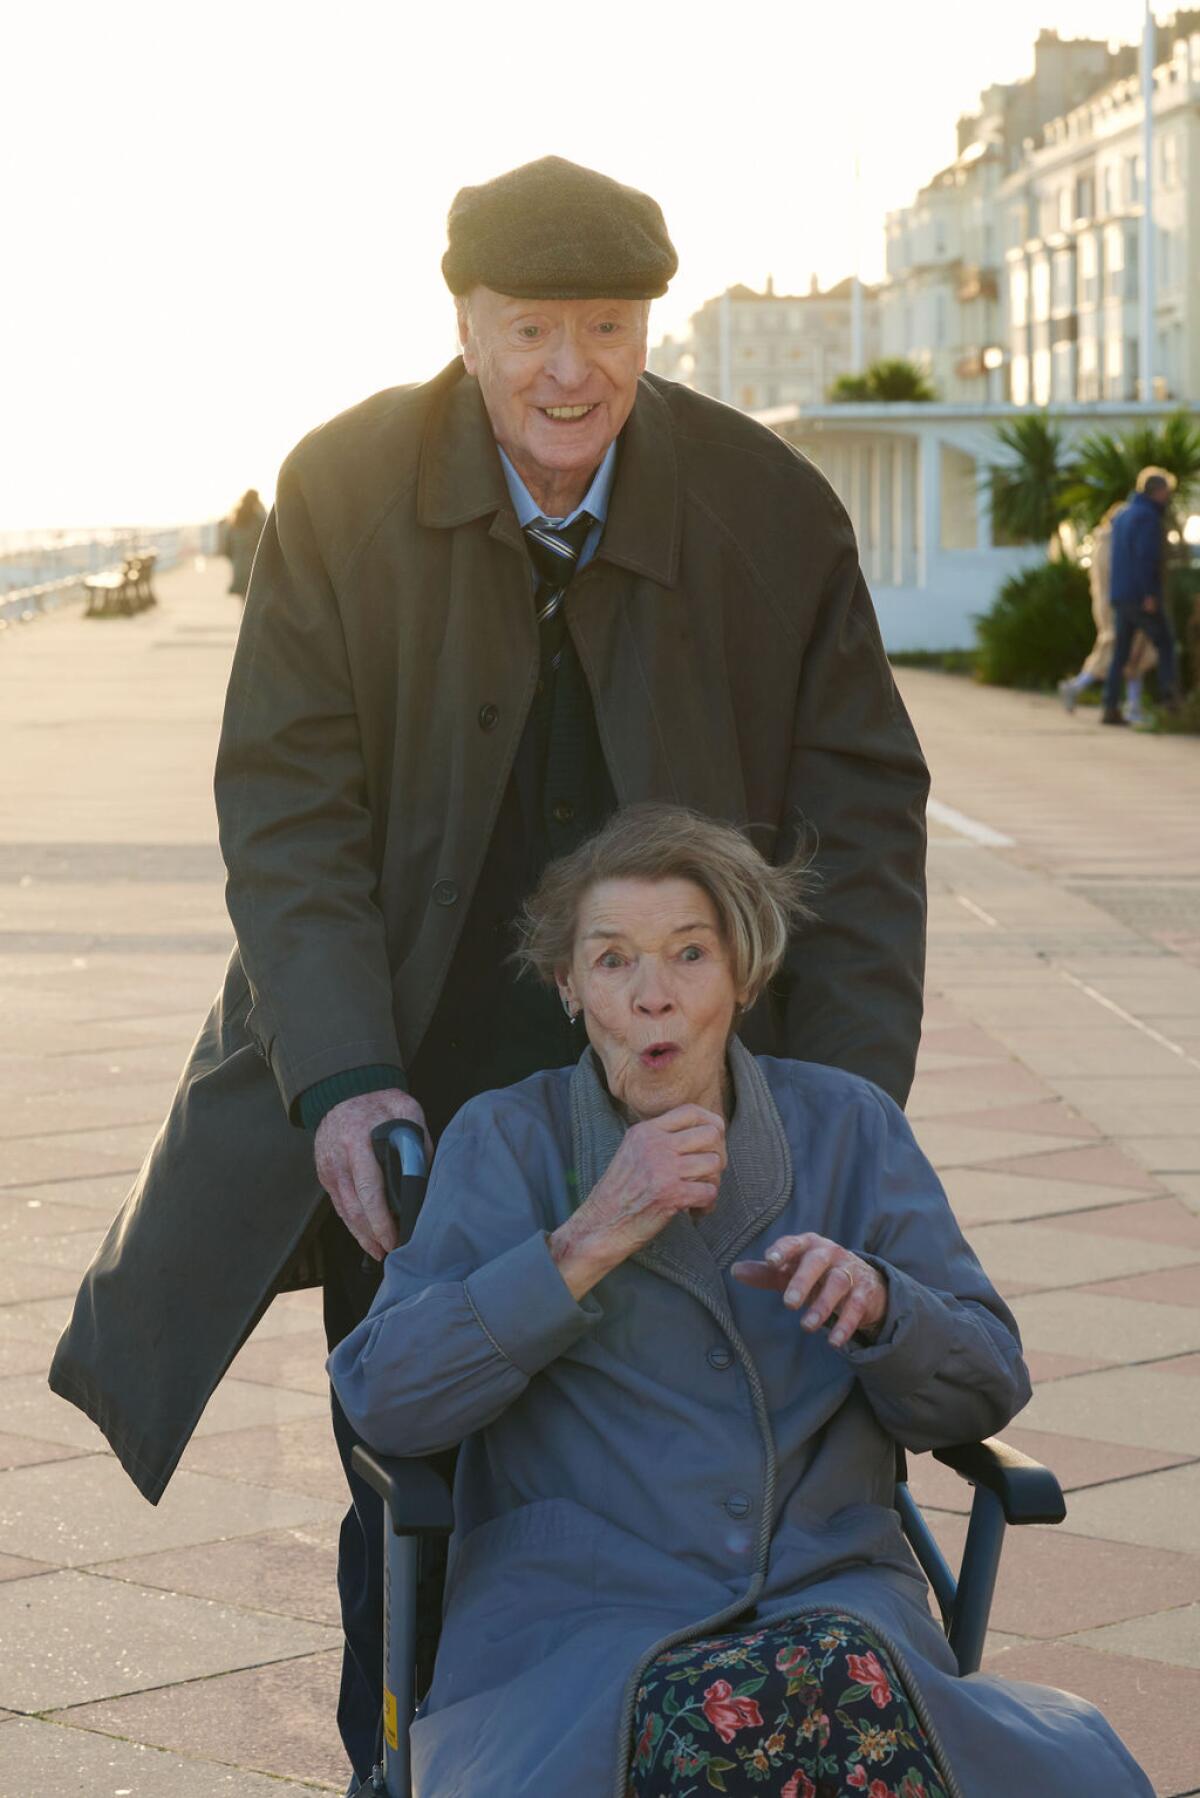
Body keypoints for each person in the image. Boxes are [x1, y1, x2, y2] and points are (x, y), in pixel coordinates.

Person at [48, 157, 929, 1791]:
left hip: (689, 1086)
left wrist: (845, 1112)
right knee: (418, 1474)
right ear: (464, 322)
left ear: (649, 327)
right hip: (421, 1093)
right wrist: (339, 1081)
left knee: (674, 1473)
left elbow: (868, 828)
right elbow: (289, 810)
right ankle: (406, 1766)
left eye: (610, 327)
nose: (571, 370)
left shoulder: (770, 506)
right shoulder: (340, 488)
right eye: (532, 328)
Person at [329, 804, 1151, 1798]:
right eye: (613, 961)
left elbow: (987, 1385)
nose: (654, 997)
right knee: (730, 1724)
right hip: (582, 1625)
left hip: (831, 1600)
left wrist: (886, 1308)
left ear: (745, 977)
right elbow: (388, 1398)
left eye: (690, 954)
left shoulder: (848, 1128)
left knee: (830, 1688)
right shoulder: (508, 1141)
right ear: (568, 987)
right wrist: (585, 1240)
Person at [1057, 497, 1157, 723]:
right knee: (1122, 653)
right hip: (1120, 607)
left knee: (1132, 654)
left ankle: (1131, 704)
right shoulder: (1112, 544)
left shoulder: (1104, 542)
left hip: (1114, 605)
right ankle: (1080, 687)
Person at [1102, 467, 1178, 726]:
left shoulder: (1123, 515)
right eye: (1166, 492)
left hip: (1121, 594)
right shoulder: (1148, 517)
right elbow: (1146, 558)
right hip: (1140, 595)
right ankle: (1170, 704)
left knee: (1121, 653)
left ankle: (1110, 706)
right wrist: (1149, 594)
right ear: (1158, 491)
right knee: (1165, 644)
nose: (1168, 497)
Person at [224, 488, 267, 597]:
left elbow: (227, 548)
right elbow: (267, 540)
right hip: (254, 569)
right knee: (254, 600)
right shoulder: (258, 521)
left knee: (244, 600)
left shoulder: (235, 520)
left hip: (239, 568)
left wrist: (236, 560)